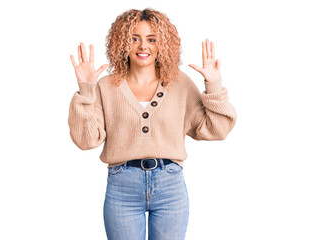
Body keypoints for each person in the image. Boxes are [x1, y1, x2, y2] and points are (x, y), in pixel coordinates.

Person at [68, 8, 236, 240]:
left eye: (151, 39)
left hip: (170, 186)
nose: (143, 46)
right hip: (122, 187)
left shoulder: (180, 84)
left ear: (162, 45)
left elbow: (217, 128)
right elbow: (86, 140)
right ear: (122, 43)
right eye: (134, 38)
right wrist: (86, 89)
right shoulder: (105, 87)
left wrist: (214, 84)